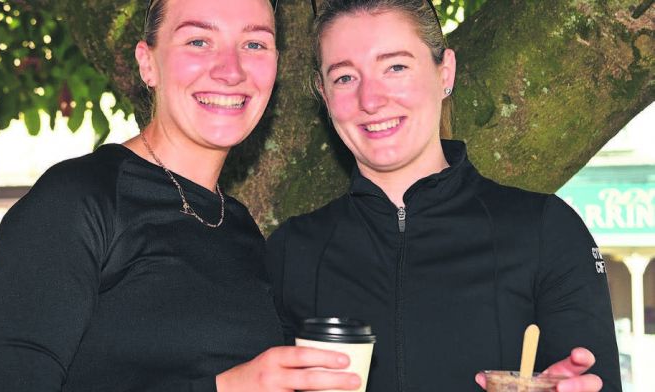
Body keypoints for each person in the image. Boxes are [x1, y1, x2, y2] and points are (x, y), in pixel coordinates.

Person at [0, 0, 362, 391]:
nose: (230, 70)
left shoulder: (240, 226)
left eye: (254, 43)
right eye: (198, 41)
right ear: (147, 63)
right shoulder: (77, 202)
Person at [264, 0, 622, 391]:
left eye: (395, 67)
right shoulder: (290, 252)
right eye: (345, 77)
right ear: (324, 93)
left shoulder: (547, 232)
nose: (370, 100)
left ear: (445, 72)